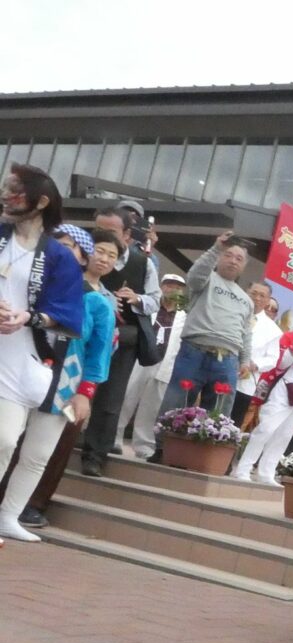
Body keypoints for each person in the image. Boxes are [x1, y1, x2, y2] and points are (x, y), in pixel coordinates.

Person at [8, 227, 117, 533]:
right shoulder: (31, 285)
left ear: (83, 258)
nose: (62, 251)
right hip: (17, 370)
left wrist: (86, 391)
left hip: (65, 382)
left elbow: (99, 353)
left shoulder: (98, 304)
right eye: (58, 245)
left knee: (39, 454)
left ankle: (10, 515)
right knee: (4, 440)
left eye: (71, 247)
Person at [0, 164, 85, 545]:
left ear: (41, 202)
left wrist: (28, 317)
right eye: (6, 188)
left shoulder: (58, 257)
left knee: (10, 443)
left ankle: (7, 517)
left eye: (15, 190)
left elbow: (68, 314)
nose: (5, 195)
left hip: (27, 364)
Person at [149, 230, 253, 462]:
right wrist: (216, 247)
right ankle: (162, 449)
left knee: (219, 411)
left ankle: (206, 455)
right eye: (229, 255)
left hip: (228, 359)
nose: (233, 260)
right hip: (194, 351)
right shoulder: (205, 280)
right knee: (175, 402)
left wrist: (245, 360)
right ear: (220, 257)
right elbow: (195, 274)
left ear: (244, 265)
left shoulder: (246, 300)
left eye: (239, 258)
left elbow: (246, 333)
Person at [79, 206, 161, 476]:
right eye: (98, 231)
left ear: (126, 234)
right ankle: (66, 437)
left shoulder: (143, 263)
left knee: (110, 399)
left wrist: (137, 299)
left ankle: (95, 454)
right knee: (69, 388)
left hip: (122, 338)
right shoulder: (80, 255)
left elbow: (156, 300)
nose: (101, 238)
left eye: (110, 232)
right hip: (79, 335)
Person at [232, 308, 293, 486]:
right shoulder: (288, 337)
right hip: (281, 390)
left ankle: (267, 472)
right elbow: (279, 363)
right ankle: (244, 468)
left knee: (283, 436)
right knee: (265, 429)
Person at [115, 273, 187, 458]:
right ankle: (115, 436)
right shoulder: (149, 307)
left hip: (164, 364)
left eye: (178, 287)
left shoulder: (184, 316)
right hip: (142, 359)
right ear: (162, 287)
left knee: (152, 406)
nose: (173, 290)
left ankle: (144, 445)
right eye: (170, 285)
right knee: (127, 397)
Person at [231, 281, 282, 426]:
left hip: (245, 382)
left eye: (262, 296)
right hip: (220, 373)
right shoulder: (231, 312)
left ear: (268, 300)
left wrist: (255, 364)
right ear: (246, 292)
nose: (257, 298)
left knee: (232, 423)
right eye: (254, 293)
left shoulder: (273, 330)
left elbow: (273, 359)